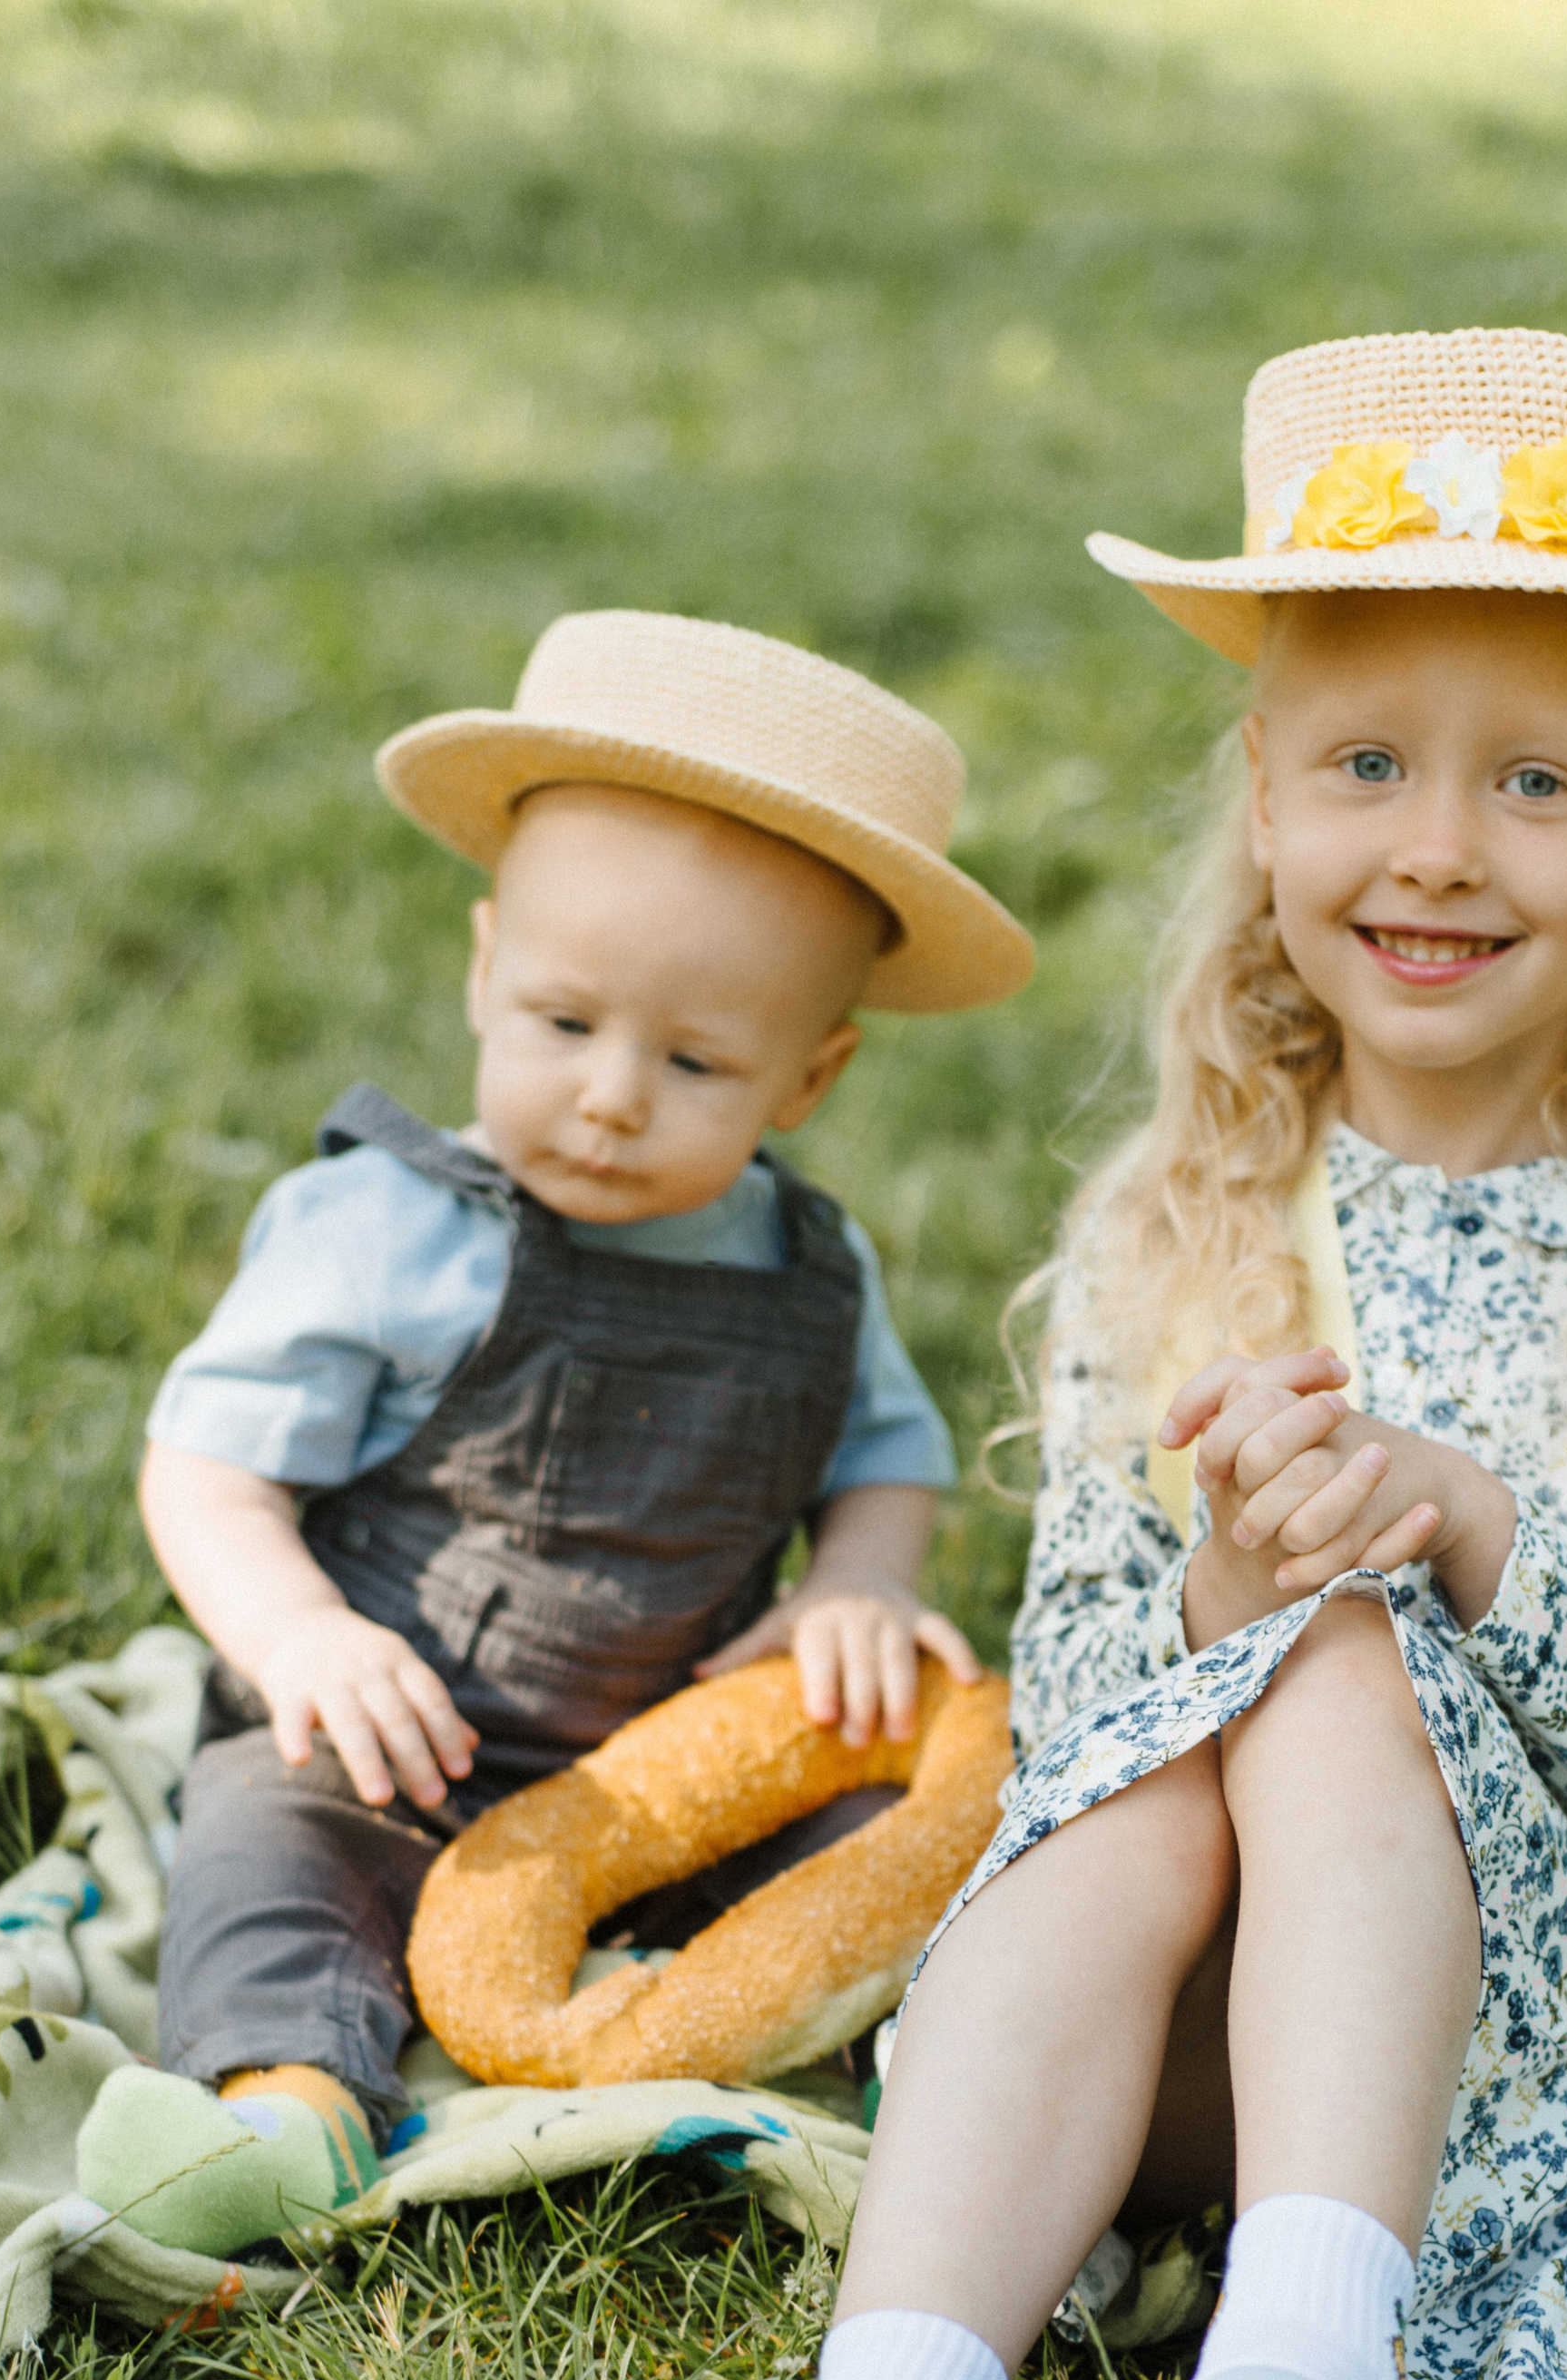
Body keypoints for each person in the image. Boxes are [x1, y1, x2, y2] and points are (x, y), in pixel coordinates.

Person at [580, 326, 1567, 2380]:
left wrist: (1479, 1525)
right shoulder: (1179, 1216)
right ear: (1267, 796)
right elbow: (1083, 1737)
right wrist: (1213, 1588)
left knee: (1349, 1640)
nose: (1435, 846)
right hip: (1200, 2047)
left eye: (1535, 781)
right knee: (1194, 1719)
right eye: (1368, 766)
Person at [78, 611, 1031, 2258]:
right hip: (386, 1743)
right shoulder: (382, 1225)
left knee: (880, 1855)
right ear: (481, 967)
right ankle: (284, 2107)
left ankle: (931, 2096)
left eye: (695, 1058)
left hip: (654, 1781)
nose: (609, 1095)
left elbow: (887, 1450)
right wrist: (300, 1635)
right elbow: (208, 1469)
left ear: (810, 1074)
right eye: (563, 1022)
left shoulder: (812, 1265)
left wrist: (861, 1586)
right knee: (262, 1853)